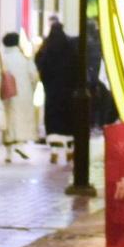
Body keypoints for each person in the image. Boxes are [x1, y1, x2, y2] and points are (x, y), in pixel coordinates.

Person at [36, 18, 87, 157]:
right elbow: (77, 68)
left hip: (52, 92)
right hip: (68, 91)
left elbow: (41, 66)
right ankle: (70, 147)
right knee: (68, 118)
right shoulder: (70, 49)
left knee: (53, 118)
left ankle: (54, 148)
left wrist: (46, 82)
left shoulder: (46, 49)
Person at [0, 30, 40, 160]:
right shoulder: (24, 58)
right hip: (24, 93)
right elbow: (34, 76)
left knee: (8, 120)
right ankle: (20, 145)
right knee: (22, 118)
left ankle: (8, 151)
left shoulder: (2, 58)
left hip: (6, 94)